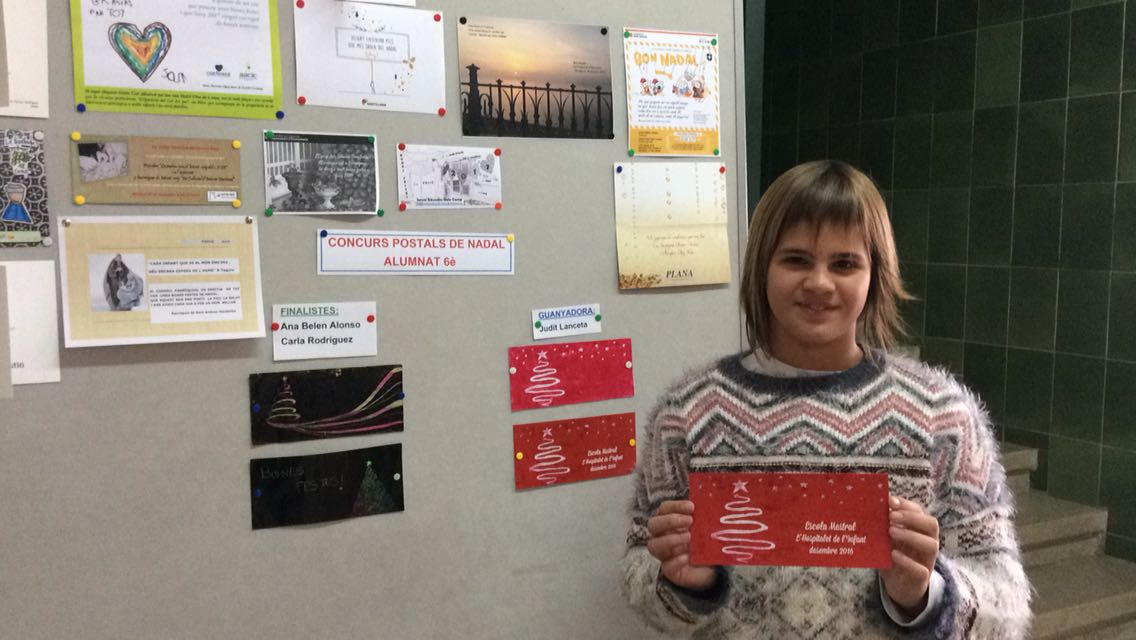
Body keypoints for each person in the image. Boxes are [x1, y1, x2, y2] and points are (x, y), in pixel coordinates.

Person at [621, 160, 1031, 639]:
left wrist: (927, 595)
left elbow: (1006, 604)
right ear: (762, 267)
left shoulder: (942, 416)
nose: (819, 282)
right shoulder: (688, 414)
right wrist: (681, 584)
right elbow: (638, 570)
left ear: (875, 275)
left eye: (844, 263)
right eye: (796, 259)